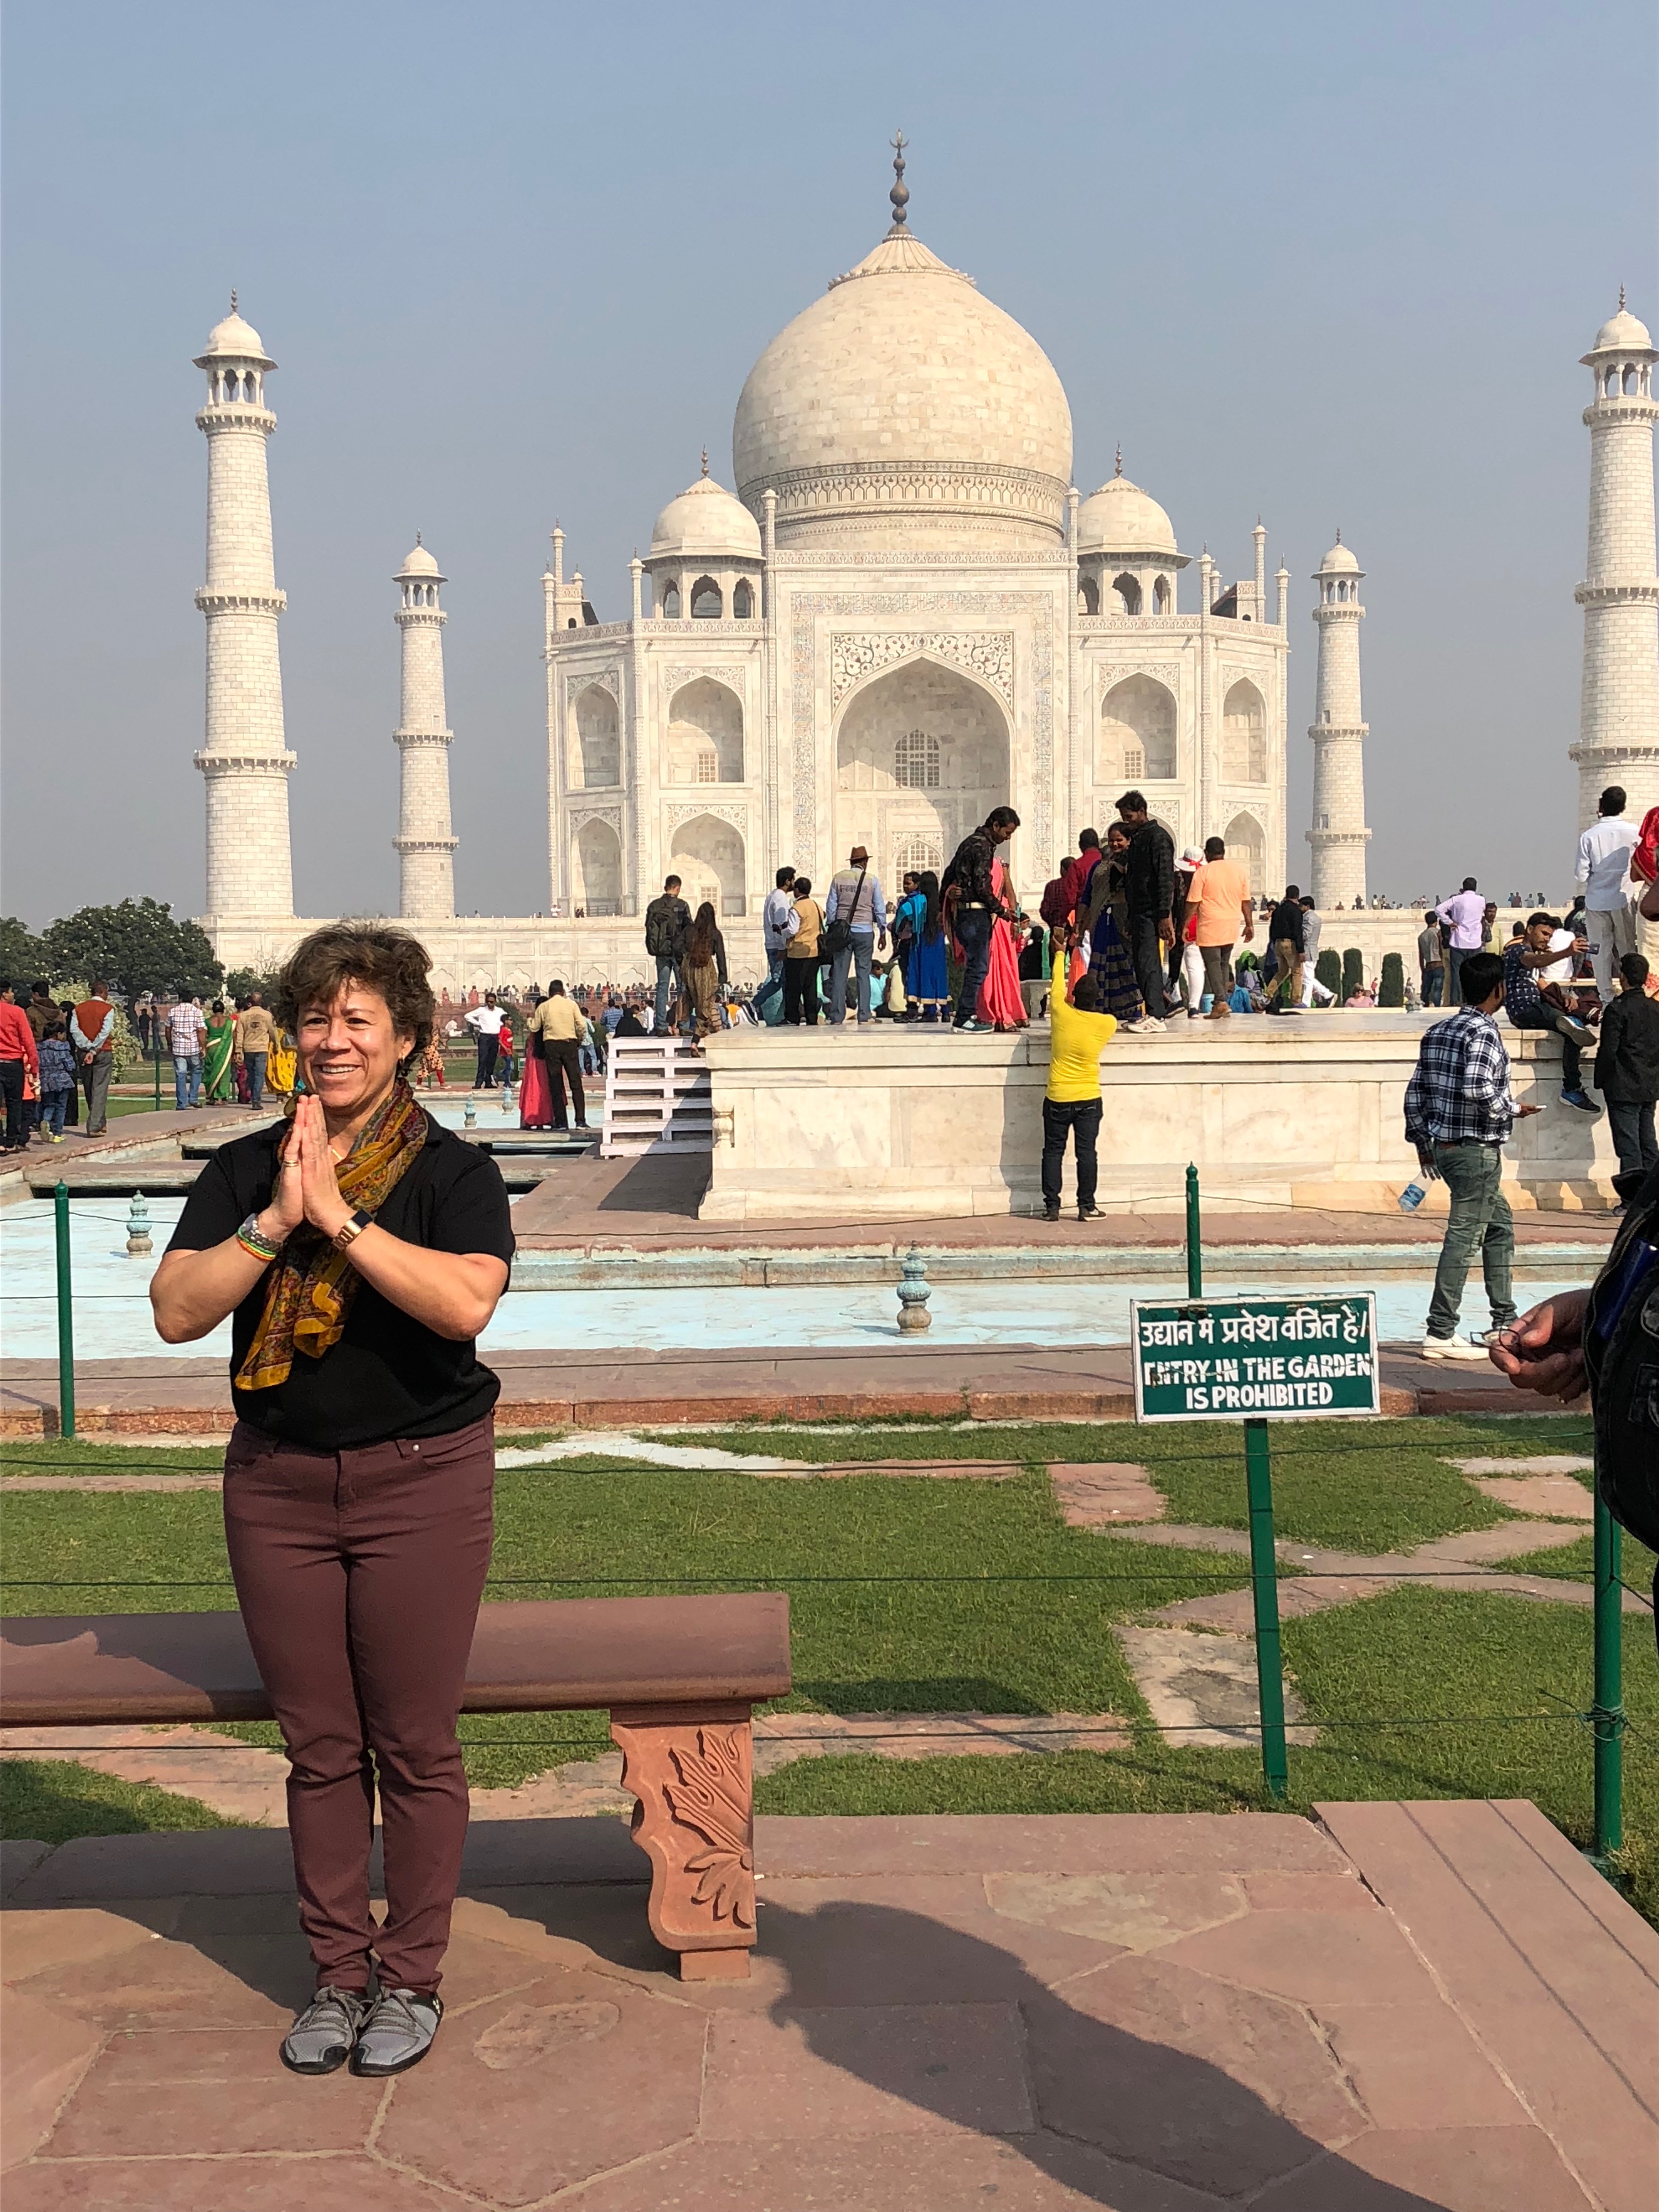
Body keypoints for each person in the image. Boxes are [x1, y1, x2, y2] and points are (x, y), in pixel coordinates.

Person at [150, 922, 514, 2080]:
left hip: (421, 1481)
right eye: (317, 1017)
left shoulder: (452, 1174)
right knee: (318, 1748)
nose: (334, 1039)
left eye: (360, 1019)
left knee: (413, 1745)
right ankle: (338, 1977)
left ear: (406, 1038)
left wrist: (341, 1219)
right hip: (280, 1488)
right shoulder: (248, 1169)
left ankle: (410, 1978)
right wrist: (276, 1218)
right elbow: (177, 1309)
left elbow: (463, 1306)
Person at [1403, 949, 1541, 1359]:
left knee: (1499, 1228)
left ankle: (1503, 1322)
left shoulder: (1439, 1030)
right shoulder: (1483, 1033)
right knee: (1463, 1239)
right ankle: (1441, 1330)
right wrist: (1514, 1108)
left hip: (1446, 1149)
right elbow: (1477, 1087)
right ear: (1499, 989)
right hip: (1476, 1150)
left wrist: (1424, 1146)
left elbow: (1415, 1095)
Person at [1040, 943, 1118, 1222]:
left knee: (1053, 1152)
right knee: (1086, 1154)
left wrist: (1060, 953)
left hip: (1058, 1095)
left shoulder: (1061, 1013)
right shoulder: (1107, 1024)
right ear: (1097, 998)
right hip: (1088, 1097)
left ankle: (1052, 1207)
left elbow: (1056, 987)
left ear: (1073, 996)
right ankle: (1087, 1206)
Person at [1502, 912, 1598, 1115]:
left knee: (1574, 1025)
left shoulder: (1532, 956)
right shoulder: (1518, 951)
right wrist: (1567, 952)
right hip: (1525, 1009)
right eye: (1544, 934)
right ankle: (1571, 1088)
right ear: (1530, 930)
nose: (1546, 939)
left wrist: (1564, 999)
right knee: (1572, 1026)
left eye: (1550, 936)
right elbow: (1534, 961)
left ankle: (1572, 1087)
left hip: (1537, 1008)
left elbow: (1542, 984)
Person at [947, 808, 1021, 1031]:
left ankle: (966, 1015)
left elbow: (950, 874)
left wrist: (947, 896)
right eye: (1007, 833)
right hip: (975, 915)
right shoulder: (983, 847)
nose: (1008, 838)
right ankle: (964, 1018)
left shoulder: (969, 843)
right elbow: (982, 886)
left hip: (965, 914)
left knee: (975, 966)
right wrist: (1002, 911)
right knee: (978, 968)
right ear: (996, 826)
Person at [1594, 952, 1659, 1180]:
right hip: (1649, 1085)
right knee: (1648, 1144)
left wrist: (1600, 1080)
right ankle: (1652, 1195)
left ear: (1623, 977)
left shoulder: (1617, 1009)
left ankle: (1632, 1196)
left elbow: (1608, 1050)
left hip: (1622, 1087)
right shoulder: (1655, 1009)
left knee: (1629, 1147)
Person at [1114, 792, 1175, 1033]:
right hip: (1139, 911)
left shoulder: (1158, 838)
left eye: (1129, 817)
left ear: (1142, 811)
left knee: (1149, 962)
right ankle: (1151, 1011)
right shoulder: (1140, 838)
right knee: (1141, 962)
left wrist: (1164, 915)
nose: (1127, 822)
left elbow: (1165, 878)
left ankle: (1157, 1015)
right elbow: (1134, 879)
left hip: (1152, 912)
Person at [1575, 785, 1640, 1004]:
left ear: (1601, 805)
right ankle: (1632, 994)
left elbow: (1581, 875)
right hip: (1624, 898)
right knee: (1627, 949)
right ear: (1624, 806)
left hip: (1596, 902)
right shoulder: (1634, 832)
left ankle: (1606, 999)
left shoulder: (1589, 836)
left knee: (1599, 951)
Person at [1081, 822, 1143, 1023]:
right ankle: (1101, 1007)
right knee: (1101, 965)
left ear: (1129, 841)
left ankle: (1130, 1009)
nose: (1115, 844)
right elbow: (1087, 897)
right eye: (1111, 840)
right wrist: (1079, 926)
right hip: (1101, 921)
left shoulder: (1134, 865)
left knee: (1126, 964)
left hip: (1124, 920)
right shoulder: (1098, 867)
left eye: (1119, 840)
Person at [1189, 836, 1254, 1019]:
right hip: (1231, 924)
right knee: (1224, 963)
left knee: (1212, 963)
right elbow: (1246, 901)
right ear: (1224, 852)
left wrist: (1185, 924)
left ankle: (1220, 1002)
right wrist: (1249, 924)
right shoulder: (1239, 871)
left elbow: (1193, 902)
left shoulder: (1203, 873)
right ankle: (1223, 1002)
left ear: (1207, 853)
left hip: (1210, 924)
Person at [824, 846, 884, 1028]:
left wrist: (834, 928)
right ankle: (864, 1014)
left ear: (852, 862)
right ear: (865, 862)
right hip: (865, 931)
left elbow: (831, 907)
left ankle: (837, 1016)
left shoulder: (839, 878)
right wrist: (882, 931)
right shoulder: (872, 880)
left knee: (840, 975)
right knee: (863, 974)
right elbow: (879, 908)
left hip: (843, 932)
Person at [527, 981, 590, 1131]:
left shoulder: (544, 1006)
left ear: (550, 993)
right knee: (576, 1083)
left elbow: (534, 1027)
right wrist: (579, 1039)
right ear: (563, 992)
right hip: (569, 1043)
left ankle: (561, 1122)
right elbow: (582, 1026)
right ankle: (580, 1121)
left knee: (555, 1084)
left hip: (551, 1045)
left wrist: (529, 1020)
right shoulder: (571, 1005)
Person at [975, 851, 1026, 1030]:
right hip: (988, 920)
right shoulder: (976, 866)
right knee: (989, 969)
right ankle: (995, 1013)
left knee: (1001, 968)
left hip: (1000, 921)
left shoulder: (997, 864)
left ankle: (1002, 1014)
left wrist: (1015, 922)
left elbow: (1010, 893)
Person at [645, 876, 691, 1033]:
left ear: (666, 887)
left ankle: (661, 1026)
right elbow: (689, 929)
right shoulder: (681, 905)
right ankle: (683, 1025)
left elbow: (648, 928)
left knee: (662, 988)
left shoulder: (654, 906)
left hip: (661, 952)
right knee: (682, 989)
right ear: (678, 888)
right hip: (679, 954)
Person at [71, 979, 118, 1133]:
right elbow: (104, 1032)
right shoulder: (108, 1009)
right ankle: (94, 1125)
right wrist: (94, 1049)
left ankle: (100, 1121)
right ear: (103, 992)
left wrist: (86, 1046)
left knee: (89, 1087)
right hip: (102, 1051)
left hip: (83, 1051)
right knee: (100, 1089)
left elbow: (75, 1030)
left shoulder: (79, 1009)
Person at [0, 981, 40, 1153]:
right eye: (11, 992)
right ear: (4, 994)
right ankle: (11, 1140)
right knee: (14, 1103)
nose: (13, 995)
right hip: (13, 1062)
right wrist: (34, 1066)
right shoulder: (16, 1012)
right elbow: (28, 1040)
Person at [756, 866, 798, 1025]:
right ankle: (752, 1004)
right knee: (778, 981)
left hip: (771, 944)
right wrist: (782, 948)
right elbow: (780, 926)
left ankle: (786, 1016)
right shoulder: (780, 898)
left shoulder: (772, 896)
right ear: (787, 881)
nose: (794, 883)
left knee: (782, 981)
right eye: (793, 879)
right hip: (778, 946)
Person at [1435, 878, 1487, 1005]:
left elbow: (1438, 910)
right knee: (1475, 973)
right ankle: (1473, 1000)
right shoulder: (1481, 900)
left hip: (1458, 941)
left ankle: (1456, 1000)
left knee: (1457, 973)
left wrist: (1450, 922)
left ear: (1463, 888)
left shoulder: (1457, 899)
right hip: (1475, 942)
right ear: (1476, 887)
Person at [681, 902, 728, 1044]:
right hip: (706, 970)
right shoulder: (714, 933)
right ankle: (695, 1041)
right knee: (706, 1004)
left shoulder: (689, 930)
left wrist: (685, 959)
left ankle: (705, 1030)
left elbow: (677, 946)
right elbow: (721, 956)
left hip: (689, 969)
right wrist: (723, 976)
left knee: (696, 1002)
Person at [783, 877, 824, 1026]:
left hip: (798, 952)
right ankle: (812, 1018)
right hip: (814, 951)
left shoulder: (797, 908)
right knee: (810, 988)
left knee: (794, 988)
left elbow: (792, 930)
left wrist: (782, 931)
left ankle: (792, 1017)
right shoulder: (816, 906)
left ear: (797, 890)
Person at [1265, 885, 1306, 1015]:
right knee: (1297, 972)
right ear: (1298, 896)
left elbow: (1272, 929)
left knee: (1282, 971)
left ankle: (1267, 994)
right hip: (1290, 944)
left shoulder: (1278, 910)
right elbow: (1297, 931)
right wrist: (1301, 950)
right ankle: (1296, 1000)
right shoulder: (1295, 911)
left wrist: (1274, 944)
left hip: (1278, 943)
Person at [36, 1018, 76, 1143]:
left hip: (45, 1080)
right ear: (58, 1034)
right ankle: (57, 1133)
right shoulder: (62, 1047)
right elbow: (70, 1065)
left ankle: (46, 1120)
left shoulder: (39, 1048)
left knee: (49, 1104)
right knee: (61, 1106)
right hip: (62, 1080)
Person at [167, 992, 208, 1109]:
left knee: (181, 1075)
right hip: (193, 1047)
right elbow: (201, 1030)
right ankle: (193, 1098)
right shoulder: (197, 1012)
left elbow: (168, 1029)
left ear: (180, 999)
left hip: (179, 1048)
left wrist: (170, 1044)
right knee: (196, 1071)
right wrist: (203, 1047)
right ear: (192, 1000)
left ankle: (181, 1103)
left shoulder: (173, 1011)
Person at [1296, 898, 1336, 1007]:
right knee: (1307, 977)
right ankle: (1328, 995)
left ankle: (1306, 1003)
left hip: (1307, 951)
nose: (1299, 908)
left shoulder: (1308, 918)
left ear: (1308, 906)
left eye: (1301, 906)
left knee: (1307, 979)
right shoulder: (1315, 917)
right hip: (1312, 950)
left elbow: (1306, 935)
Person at [464, 992, 504, 1089]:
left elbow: (506, 1019)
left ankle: (488, 1082)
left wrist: (500, 1025)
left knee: (492, 1060)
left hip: (495, 1037)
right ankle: (479, 1082)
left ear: (495, 1002)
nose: (490, 1004)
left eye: (492, 1002)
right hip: (485, 1037)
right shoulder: (482, 1010)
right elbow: (467, 1016)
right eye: (488, 1002)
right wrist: (478, 1023)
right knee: (482, 1060)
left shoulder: (500, 1011)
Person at [205, 999, 238, 1103]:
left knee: (211, 1071)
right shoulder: (229, 1021)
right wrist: (235, 1051)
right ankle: (223, 1097)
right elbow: (234, 1036)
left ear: (213, 1010)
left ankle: (212, 1097)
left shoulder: (207, 1021)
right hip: (225, 1048)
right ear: (223, 1010)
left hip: (211, 1049)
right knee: (224, 1073)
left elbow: (204, 1035)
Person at [1417, 909, 1447, 1006]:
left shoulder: (1422, 936)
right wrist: (1444, 963)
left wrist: (1422, 969)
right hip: (1438, 964)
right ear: (1436, 921)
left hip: (1428, 965)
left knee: (1426, 989)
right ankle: (1437, 1006)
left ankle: (1424, 1005)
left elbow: (1421, 955)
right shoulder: (1438, 933)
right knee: (1438, 989)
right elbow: (1441, 948)